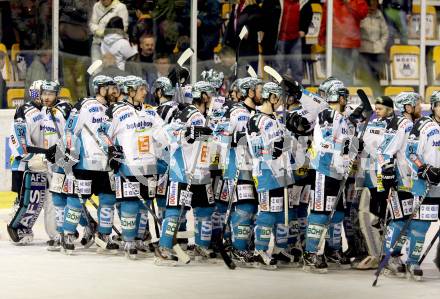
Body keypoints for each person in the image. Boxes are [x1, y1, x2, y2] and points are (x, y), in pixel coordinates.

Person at [103, 76, 168, 259]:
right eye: (141, 89)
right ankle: (129, 240)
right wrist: (112, 152)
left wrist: (174, 137)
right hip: (128, 166)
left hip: (149, 165)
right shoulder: (116, 111)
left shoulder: (151, 112)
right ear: (130, 91)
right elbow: (103, 133)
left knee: (145, 204)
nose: (145, 92)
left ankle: (139, 238)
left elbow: (162, 134)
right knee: (130, 204)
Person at [156, 81, 216, 266]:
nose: (212, 99)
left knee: (205, 210)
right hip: (183, 173)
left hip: (202, 172)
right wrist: (189, 134)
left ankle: (201, 245)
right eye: (210, 95)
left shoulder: (207, 116)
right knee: (174, 212)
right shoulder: (188, 113)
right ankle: (164, 248)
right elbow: (162, 134)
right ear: (203, 97)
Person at [59, 75, 120, 254]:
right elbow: (69, 130)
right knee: (77, 201)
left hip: (106, 165)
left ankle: (104, 236)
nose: (114, 91)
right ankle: (68, 234)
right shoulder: (84, 106)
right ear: (99, 88)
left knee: (108, 200)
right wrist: (70, 151)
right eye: (109, 87)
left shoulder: (115, 109)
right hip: (85, 164)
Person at [318, 0, 368, 85]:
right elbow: (325, 19)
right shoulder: (331, 2)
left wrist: (349, 3)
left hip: (352, 43)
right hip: (336, 43)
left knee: (348, 74)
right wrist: (321, 37)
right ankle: (335, 95)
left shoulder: (357, 1)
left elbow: (362, 13)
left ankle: (345, 96)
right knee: (336, 73)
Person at [223, 0, 264, 77]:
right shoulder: (235, 7)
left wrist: (249, 28)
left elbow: (257, 23)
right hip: (236, 48)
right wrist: (226, 42)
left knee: (249, 77)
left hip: (248, 49)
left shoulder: (254, 8)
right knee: (237, 77)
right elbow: (231, 27)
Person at [358, 0, 389, 96]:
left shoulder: (380, 16)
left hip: (377, 51)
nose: (371, 7)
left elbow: (385, 33)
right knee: (365, 78)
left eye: (374, 5)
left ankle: (376, 98)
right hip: (363, 51)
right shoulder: (361, 15)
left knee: (376, 78)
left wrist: (380, 45)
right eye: (369, 4)